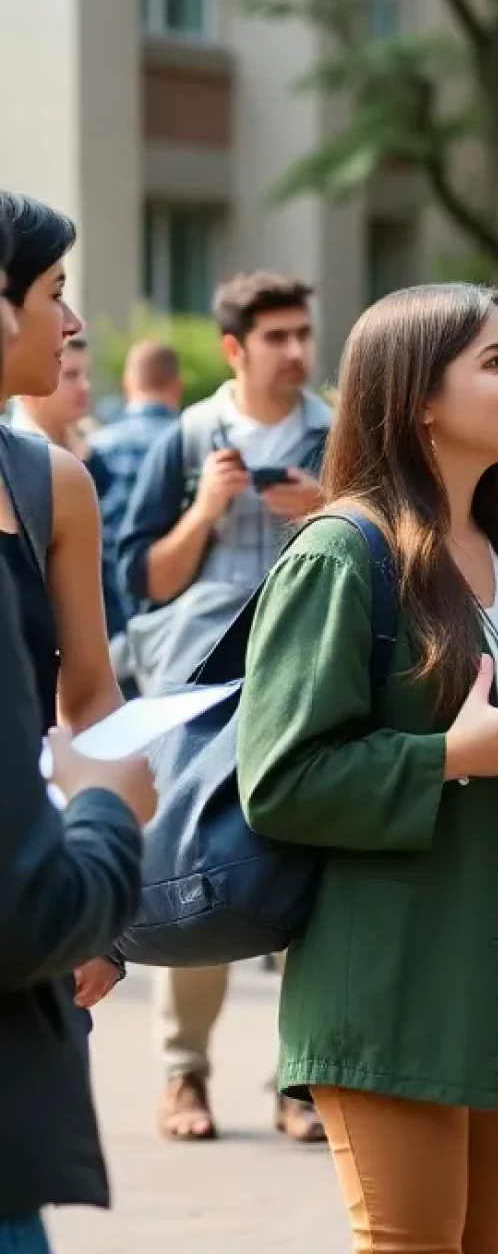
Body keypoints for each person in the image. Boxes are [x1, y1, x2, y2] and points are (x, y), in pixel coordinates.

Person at [236, 283, 498, 1254]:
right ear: (418, 399)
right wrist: (447, 758)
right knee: (411, 1244)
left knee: (482, 1245)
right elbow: (280, 780)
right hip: (396, 954)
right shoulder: (342, 555)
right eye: (494, 362)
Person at [117, 271, 330, 1144]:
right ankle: (184, 1074)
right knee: (193, 858)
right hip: (197, 681)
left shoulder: (337, 431)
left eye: (303, 335)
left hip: (305, 672)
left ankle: (297, 1081)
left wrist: (323, 506)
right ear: (235, 349)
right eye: (276, 337)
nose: (295, 352)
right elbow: (141, 578)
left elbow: (389, 535)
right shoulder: (186, 438)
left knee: (300, 863)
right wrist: (205, 510)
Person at [0, 192, 157, 1254]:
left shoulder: (53, 481)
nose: (70, 326)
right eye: (54, 294)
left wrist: (95, 907)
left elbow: (90, 695)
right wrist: (101, 844)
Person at [84, 341, 182, 642]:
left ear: (128, 383)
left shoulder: (97, 448)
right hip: (176, 627)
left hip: (110, 624)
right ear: (176, 386)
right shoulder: (191, 443)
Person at [13, 335, 92, 458]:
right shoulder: (14, 455)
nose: (85, 386)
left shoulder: (91, 446)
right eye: (70, 375)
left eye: (87, 375)